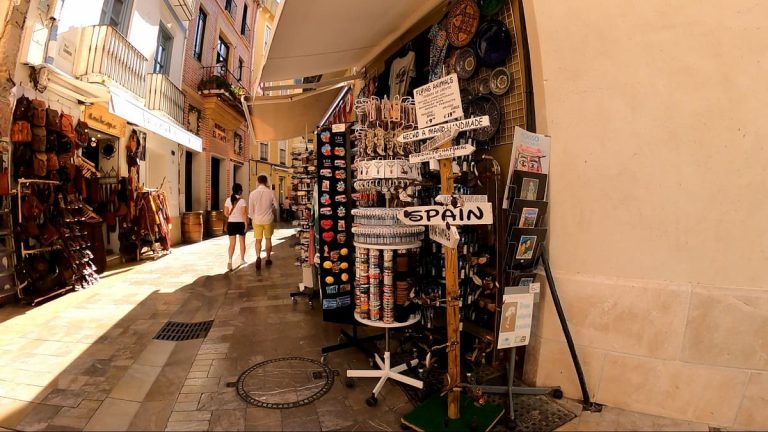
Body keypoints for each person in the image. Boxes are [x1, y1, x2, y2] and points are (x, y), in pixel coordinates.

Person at [248, 174, 278, 270]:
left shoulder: (252, 193)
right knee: (268, 239)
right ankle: (268, 258)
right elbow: (276, 206)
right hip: (268, 219)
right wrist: (271, 209)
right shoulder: (271, 192)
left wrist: (253, 218)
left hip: (257, 220)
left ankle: (258, 256)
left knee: (258, 240)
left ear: (258, 181)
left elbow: (250, 210)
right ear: (266, 182)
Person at [224, 183, 247, 271]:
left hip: (231, 223)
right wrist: (245, 224)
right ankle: (242, 260)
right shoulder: (242, 201)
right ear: (240, 191)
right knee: (242, 242)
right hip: (240, 223)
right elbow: (244, 214)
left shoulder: (227, 200)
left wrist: (231, 215)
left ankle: (230, 260)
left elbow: (226, 213)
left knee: (232, 243)